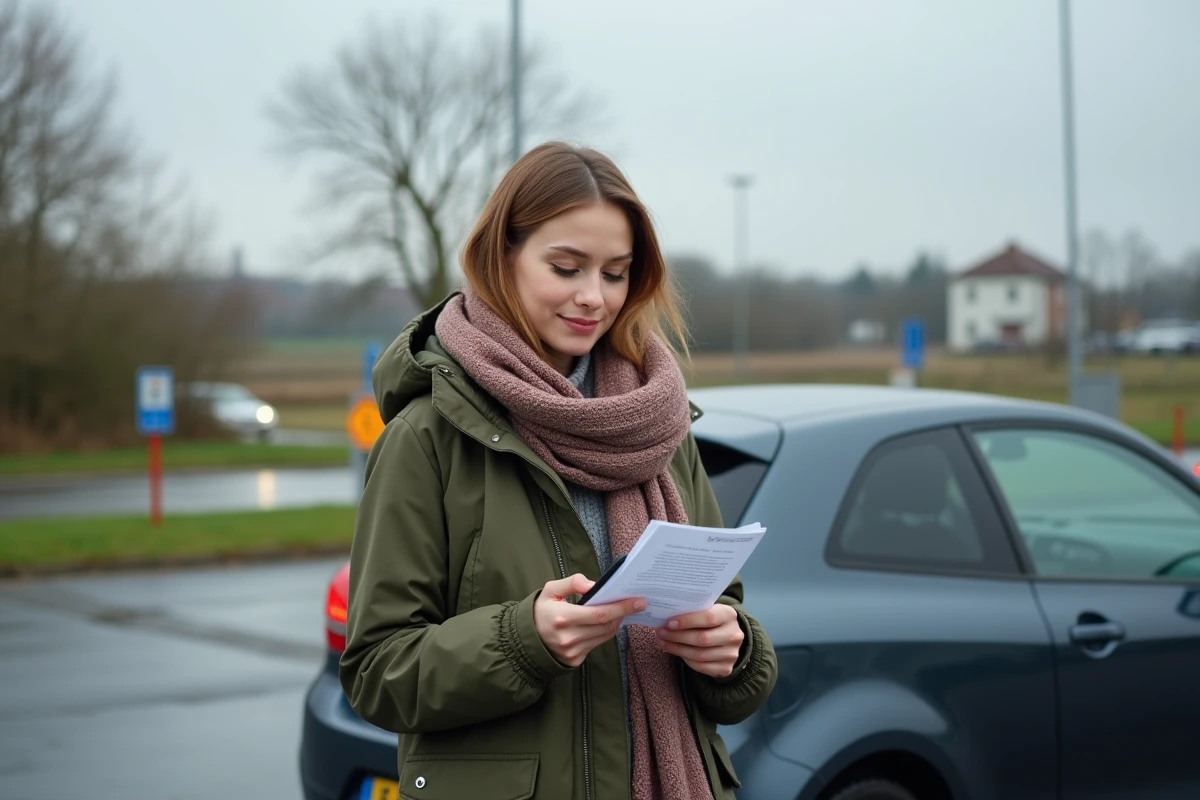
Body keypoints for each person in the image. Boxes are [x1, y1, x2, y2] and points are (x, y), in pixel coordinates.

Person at [340, 141, 778, 800]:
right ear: (503, 255)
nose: (593, 298)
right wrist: (521, 640)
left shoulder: (656, 424)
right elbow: (377, 671)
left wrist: (732, 652)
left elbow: (727, 618)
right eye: (567, 267)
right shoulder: (426, 438)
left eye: (615, 272)